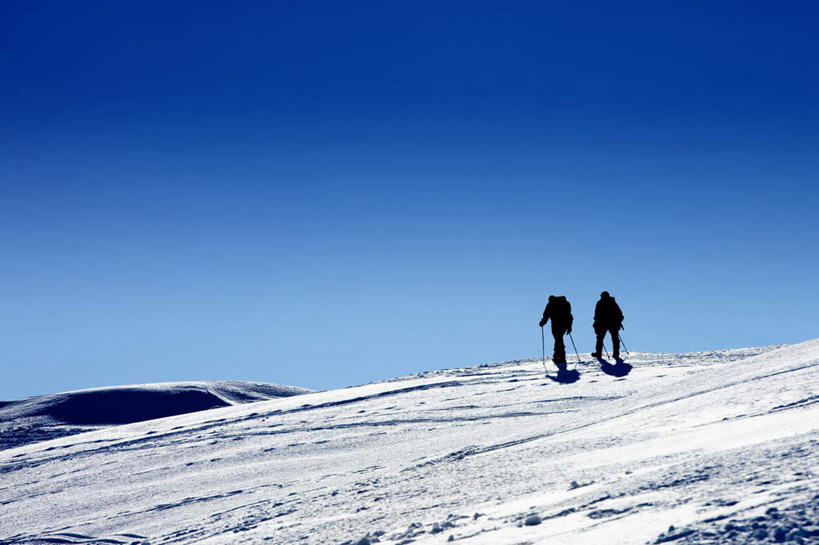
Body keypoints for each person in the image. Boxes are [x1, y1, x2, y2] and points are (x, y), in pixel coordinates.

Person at [539, 295, 573, 364]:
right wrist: (569, 326)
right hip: (564, 325)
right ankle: (557, 356)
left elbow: (546, 315)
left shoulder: (550, 304)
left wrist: (542, 323)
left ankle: (561, 357)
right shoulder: (565, 304)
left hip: (555, 325)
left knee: (558, 339)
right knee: (558, 339)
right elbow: (569, 316)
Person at [591, 291, 624, 360]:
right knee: (614, 338)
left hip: (603, 324)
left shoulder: (600, 303)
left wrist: (596, 322)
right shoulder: (612, 302)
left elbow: (596, 315)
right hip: (612, 323)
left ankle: (599, 353)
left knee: (600, 338)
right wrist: (619, 321)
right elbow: (619, 313)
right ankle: (616, 353)